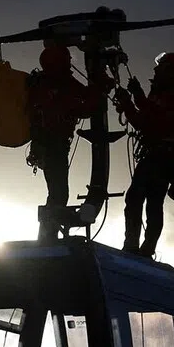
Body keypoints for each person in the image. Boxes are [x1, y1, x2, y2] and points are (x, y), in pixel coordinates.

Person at [25, 45, 112, 240]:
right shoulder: (59, 84)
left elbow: (83, 96)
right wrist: (102, 87)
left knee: (56, 191)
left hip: (45, 145)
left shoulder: (43, 83)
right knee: (58, 193)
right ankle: (48, 236)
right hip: (53, 145)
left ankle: (48, 235)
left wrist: (97, 87)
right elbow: (86, 106)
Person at [115, 51, 174, 258]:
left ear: (168, 70)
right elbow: (147, 112)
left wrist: (128, 102)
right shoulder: (168, 94)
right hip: (165, 157)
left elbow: (144, 121)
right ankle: (145, 248)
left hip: (159, 156)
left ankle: (133, 245)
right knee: (153, 203)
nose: (155, 70)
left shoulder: (170, 96)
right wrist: (135, 95)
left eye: (160, 66)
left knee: (137, 198)